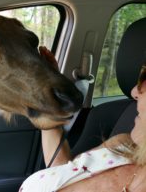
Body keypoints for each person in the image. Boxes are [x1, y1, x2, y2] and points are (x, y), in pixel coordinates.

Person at [19, 63, 146, 192]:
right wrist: (47, 97)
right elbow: (62, 173)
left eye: (144, 79)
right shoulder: (122, 145)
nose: (134, 91)